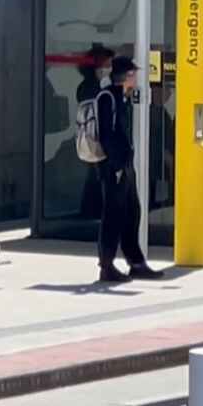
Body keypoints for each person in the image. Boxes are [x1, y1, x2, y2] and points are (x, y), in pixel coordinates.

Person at [97, 56, 164, 282]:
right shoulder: (108, 98)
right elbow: (106, 135)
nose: (136, 78)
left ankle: (135, 262)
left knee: (131, 213)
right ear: (127, 76)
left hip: (125, 165)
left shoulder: (121, 98)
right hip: (113, 167)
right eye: (134, 74)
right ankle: (106, 266)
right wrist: (116, 165)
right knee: (113, 216)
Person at [77, 45, 114, 221]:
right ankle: (91, 213)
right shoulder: (88, 87)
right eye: (106, 65)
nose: (109, 69)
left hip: (104, 137)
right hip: (95, 137)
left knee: (99, 176)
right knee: (98, 176)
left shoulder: (100, 86)